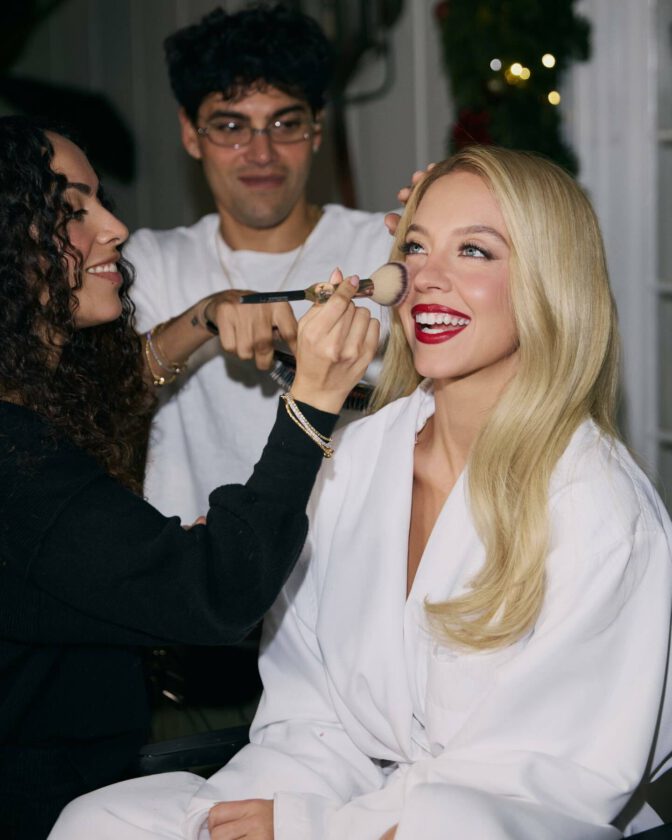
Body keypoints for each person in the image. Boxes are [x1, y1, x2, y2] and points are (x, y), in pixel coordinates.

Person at [52, 146, 672, 840]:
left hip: (487, 824)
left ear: (549, 280)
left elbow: (539, 785)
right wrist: (264, 814)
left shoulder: (599, 509)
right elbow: (308, 713)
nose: (427, 279)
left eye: (474, 251)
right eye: (415, 247)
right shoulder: (355, 458)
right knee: (98, 820)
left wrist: (319, 829)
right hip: (344, 795)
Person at [0, 114, 379, 839]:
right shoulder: (17, 463)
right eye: (73, 210)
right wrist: (312, 402)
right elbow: (216, 590)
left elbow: (116, 390)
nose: (114, 226)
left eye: (102, 200)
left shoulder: (32, 403)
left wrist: (208, 315)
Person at [127, 3, 395, 523]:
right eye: (231, 126)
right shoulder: (151, 260)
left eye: (285, 123)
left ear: (316, 128)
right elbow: (95, 400)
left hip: (347, 569)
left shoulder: (385, 247)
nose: (261, 151)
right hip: (191, 574)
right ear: (190, 133)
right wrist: (204, 316)